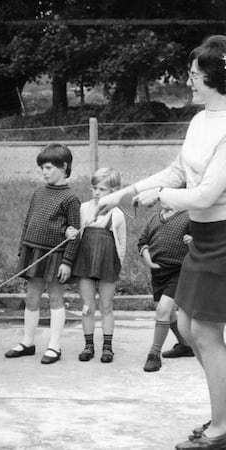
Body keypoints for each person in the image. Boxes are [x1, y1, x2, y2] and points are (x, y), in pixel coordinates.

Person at [96, 35, 226, 449]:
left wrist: (160, 197)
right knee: (187, 327)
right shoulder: (200, 120)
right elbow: (176, 171)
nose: (188, 81)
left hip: (223, 236)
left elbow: (204, 194)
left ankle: (222, 429)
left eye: (194, 75)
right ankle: (223, 414)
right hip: (204, 237)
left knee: (204, 332)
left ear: (215, 78)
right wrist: (123, 193)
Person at [4, 143, 80, 365]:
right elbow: (29, 221)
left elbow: (75, 234)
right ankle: (28, 342)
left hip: (56, 255)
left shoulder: (70, 198)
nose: (43, 172)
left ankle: (54, 346)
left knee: (55, 298)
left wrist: (67, 262)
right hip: (34, 251)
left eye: (48, 167)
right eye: (42, 168)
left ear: (64, 166)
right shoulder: (39, 192)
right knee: (32, 296)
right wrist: (22, 248)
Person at [71, 168, 127, 364]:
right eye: (94, 188)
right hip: (85, 260)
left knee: (106, 306)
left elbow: (121, 242)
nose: (96, 192)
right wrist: (71, 233)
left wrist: (118, 265)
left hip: (107, 262)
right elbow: (77, 234)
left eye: (102, 189)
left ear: (114, 191)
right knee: (87, 305)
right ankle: (88, 346)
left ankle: (107, 347)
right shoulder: (84, 208)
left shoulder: (117, 214)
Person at [137, 204, 194, 372]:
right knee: (168, 313)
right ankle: (185, 345)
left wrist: (192, 241)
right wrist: (149, 261)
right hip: (158, 272)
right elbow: (142, 243)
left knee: (162, 309)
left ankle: (154, 354)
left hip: (179, 271)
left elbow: (201, 241)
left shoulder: (188, 216)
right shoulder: (154, 219)